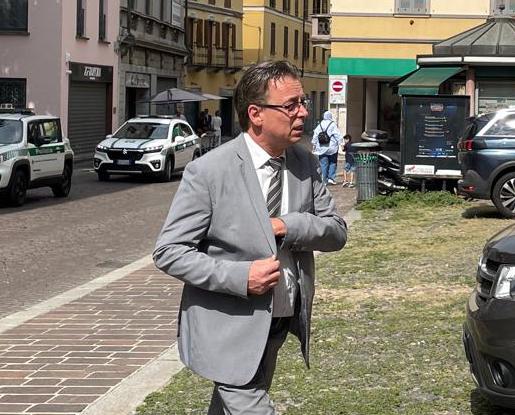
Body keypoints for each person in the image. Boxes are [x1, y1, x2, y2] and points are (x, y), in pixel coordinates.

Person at [153, 60, 347, 414]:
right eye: (291, 105)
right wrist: (241, 277)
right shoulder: (209, 171)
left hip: (279, 317)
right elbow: (169, 251)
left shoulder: (305, 164)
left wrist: (288, 226)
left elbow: (336, 232)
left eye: (303, 102)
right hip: (227, 325)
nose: (303, 112)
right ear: (256, 114)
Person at [312, 111, 343, 185]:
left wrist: (314, 145)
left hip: (322, 147)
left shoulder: (320, 124)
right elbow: (337, 135)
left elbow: (315, 135)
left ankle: (323, 180)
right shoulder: (332, 124)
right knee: (333, 162)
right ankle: (331, 178)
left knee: (323, 164)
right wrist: (341, 143)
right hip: (332, 147)